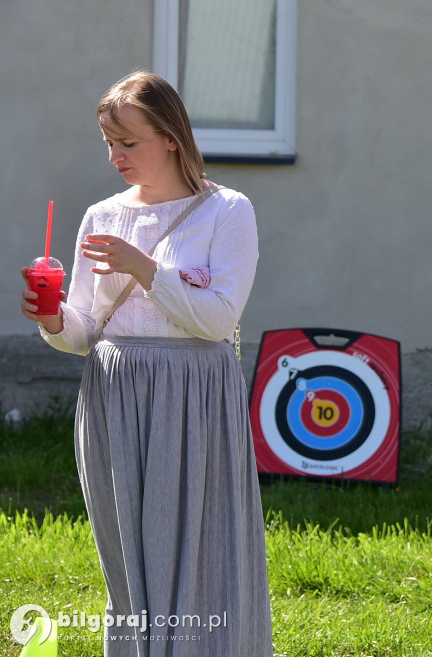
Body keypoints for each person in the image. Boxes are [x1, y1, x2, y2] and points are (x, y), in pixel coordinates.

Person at [20, 71, 273, 655]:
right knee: (128, 558)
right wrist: (53, 319)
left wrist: (143, 267)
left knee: (200, 549)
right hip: (114, 393)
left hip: (194, 393)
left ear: (171, 139)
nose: (115, 157)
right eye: (108, 142)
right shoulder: (100, 215)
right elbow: (86, 331)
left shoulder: (227, 211)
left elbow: (215, 320)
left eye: (127, 143)